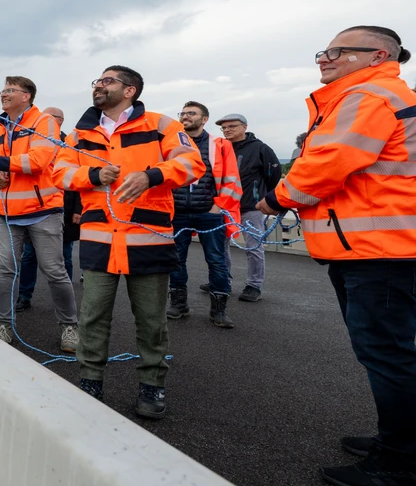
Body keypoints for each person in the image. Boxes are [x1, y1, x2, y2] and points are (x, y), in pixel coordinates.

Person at [257, 26, 415, 485]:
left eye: (337, 51)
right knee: (388, 352)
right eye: (323, 51)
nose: (324, 59)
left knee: (386, 353)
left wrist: (277, 198)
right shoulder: (374, 94)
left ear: (376, 54)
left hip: (379, 249)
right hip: (378, 246)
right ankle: (399, 438)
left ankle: (399, 461)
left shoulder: (368, 97)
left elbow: (326, 164)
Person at [53, 66, 204, 419]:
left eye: (107, 81)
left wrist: (152, 176)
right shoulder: (80, 133)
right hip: (98, 241)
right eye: (97, 81)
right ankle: (90, 382)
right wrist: (93, 174)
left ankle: (152, 386)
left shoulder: (161, 125)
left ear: (130, 90)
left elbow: (191, 163)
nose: (99, 86)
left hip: (147, 240)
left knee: (151, 320)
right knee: (92, 318)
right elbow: (59, 172)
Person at [0, 78, 79, 353]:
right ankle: (4, 325)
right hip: (5, 213)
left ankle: (69, 326)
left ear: (27, 96)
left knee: (55, 271)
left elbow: (39, 161)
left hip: (42, 210)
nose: (4, 94)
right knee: (6, 272)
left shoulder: (44, 122)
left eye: (10, 90)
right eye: (3, 90)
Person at [166, 101, 241, 329]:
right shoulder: (170, 144)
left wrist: (217, 208)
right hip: (177, 212)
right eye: (183, 113)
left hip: (209, 213)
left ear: (204, 119)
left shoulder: (220, 145)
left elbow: (232, 180)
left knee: (217, 261)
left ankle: (219, 309)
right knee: (176, 260)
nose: (185, 116)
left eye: (191, 113)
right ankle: (179, 304)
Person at [14, 106, 84, 309]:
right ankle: (24, 296)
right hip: (36, 207)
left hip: (66, 207)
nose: (43, 119)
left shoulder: (70, 143)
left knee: (64, 256)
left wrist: (79, 209)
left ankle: (65, 298)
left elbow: (79, 176)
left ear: (59, 121)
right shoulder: (31, 140)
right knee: (29, 256)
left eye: (49, 117)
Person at [215, 113, 281, 302]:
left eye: (232, 126)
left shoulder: (260, 148)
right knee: (221, 247)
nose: (227, 130)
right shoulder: (220, 147)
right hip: (225, 206)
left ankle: (254, 285)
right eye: (224, 128)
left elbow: (274, 174)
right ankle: (222, 281)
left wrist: (259, 195)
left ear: (244, 127)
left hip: (251, 207)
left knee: (254, 247)